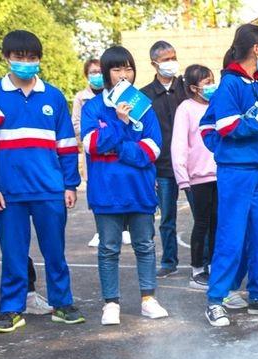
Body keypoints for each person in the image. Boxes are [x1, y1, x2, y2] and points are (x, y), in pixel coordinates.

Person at [0, 30, 84, 333]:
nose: (25, 62)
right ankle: (12, 309)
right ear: (6, 58)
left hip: (49, 190)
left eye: (31, 57)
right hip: (8, 192)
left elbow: (66, 144)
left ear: (39, 59)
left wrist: (69, 184)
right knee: (13, 253)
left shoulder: (53, 96)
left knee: (55, 251)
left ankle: (62, 304)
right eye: (19, 57)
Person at [199, 23, 258, 326]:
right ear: (256, 48)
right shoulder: (230, 84)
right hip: (238, 172)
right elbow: (224, 126)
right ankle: (216, 299)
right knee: (232, 235)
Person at [81, 45, 168, 326]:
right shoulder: (94, 107)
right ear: (106, 73)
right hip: (106, 191)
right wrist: (119, 124)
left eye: (128, 67)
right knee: (108, 248)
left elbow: (152, 150)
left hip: (140, 189)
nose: (123, 74)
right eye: (117, 68)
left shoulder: (144, 106)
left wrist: (118, 149)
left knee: (145, 245)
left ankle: (148, 299)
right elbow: (92, 144)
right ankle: (111, 303)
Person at [141, 40, 188, 279]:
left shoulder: (187, 88)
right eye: (166, 59)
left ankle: (204, 261)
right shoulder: (145, 96)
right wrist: (149, 170)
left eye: (173, 57)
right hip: (162, 167)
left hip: (190, 165)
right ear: (154, 63)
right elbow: (140, 133)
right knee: (167, 217)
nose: (171, 63)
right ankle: (169, 261)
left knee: (203, 216)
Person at [73, 58, 132, 249]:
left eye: (99, 71)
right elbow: (77, 124)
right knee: (98, 189)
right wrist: (98, 133)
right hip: (95, 154)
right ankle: (101, 231)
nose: (97, 76)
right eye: (93, 72)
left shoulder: (126, 97)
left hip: (118, 153)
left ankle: (124, 228)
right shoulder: (83, 98)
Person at [171, 64, 218, 290]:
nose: (211, 86)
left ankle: (214, 266)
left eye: (212, 80)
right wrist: (183, 177)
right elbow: (179, 144)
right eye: (206, 83)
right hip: (197, 178)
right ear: (193, 87)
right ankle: (198, 268)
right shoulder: (186, 109)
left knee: (218, 223)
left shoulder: (217, 106)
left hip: (220, 175)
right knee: (202, 223)